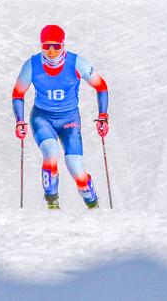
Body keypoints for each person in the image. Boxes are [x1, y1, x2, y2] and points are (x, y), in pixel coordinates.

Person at [12, 24, 109, 210]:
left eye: (56, 46)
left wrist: (103, 116)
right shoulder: (32, 65)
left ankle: (92, 203)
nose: (51, 51)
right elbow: (18, 93)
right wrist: (20, 121)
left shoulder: (77, 62)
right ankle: (52, 203)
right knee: (51, 152)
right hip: (42, 118)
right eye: (46, 45)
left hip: (69, 119)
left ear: (63, 45)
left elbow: (101, 85)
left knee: (75, 167)